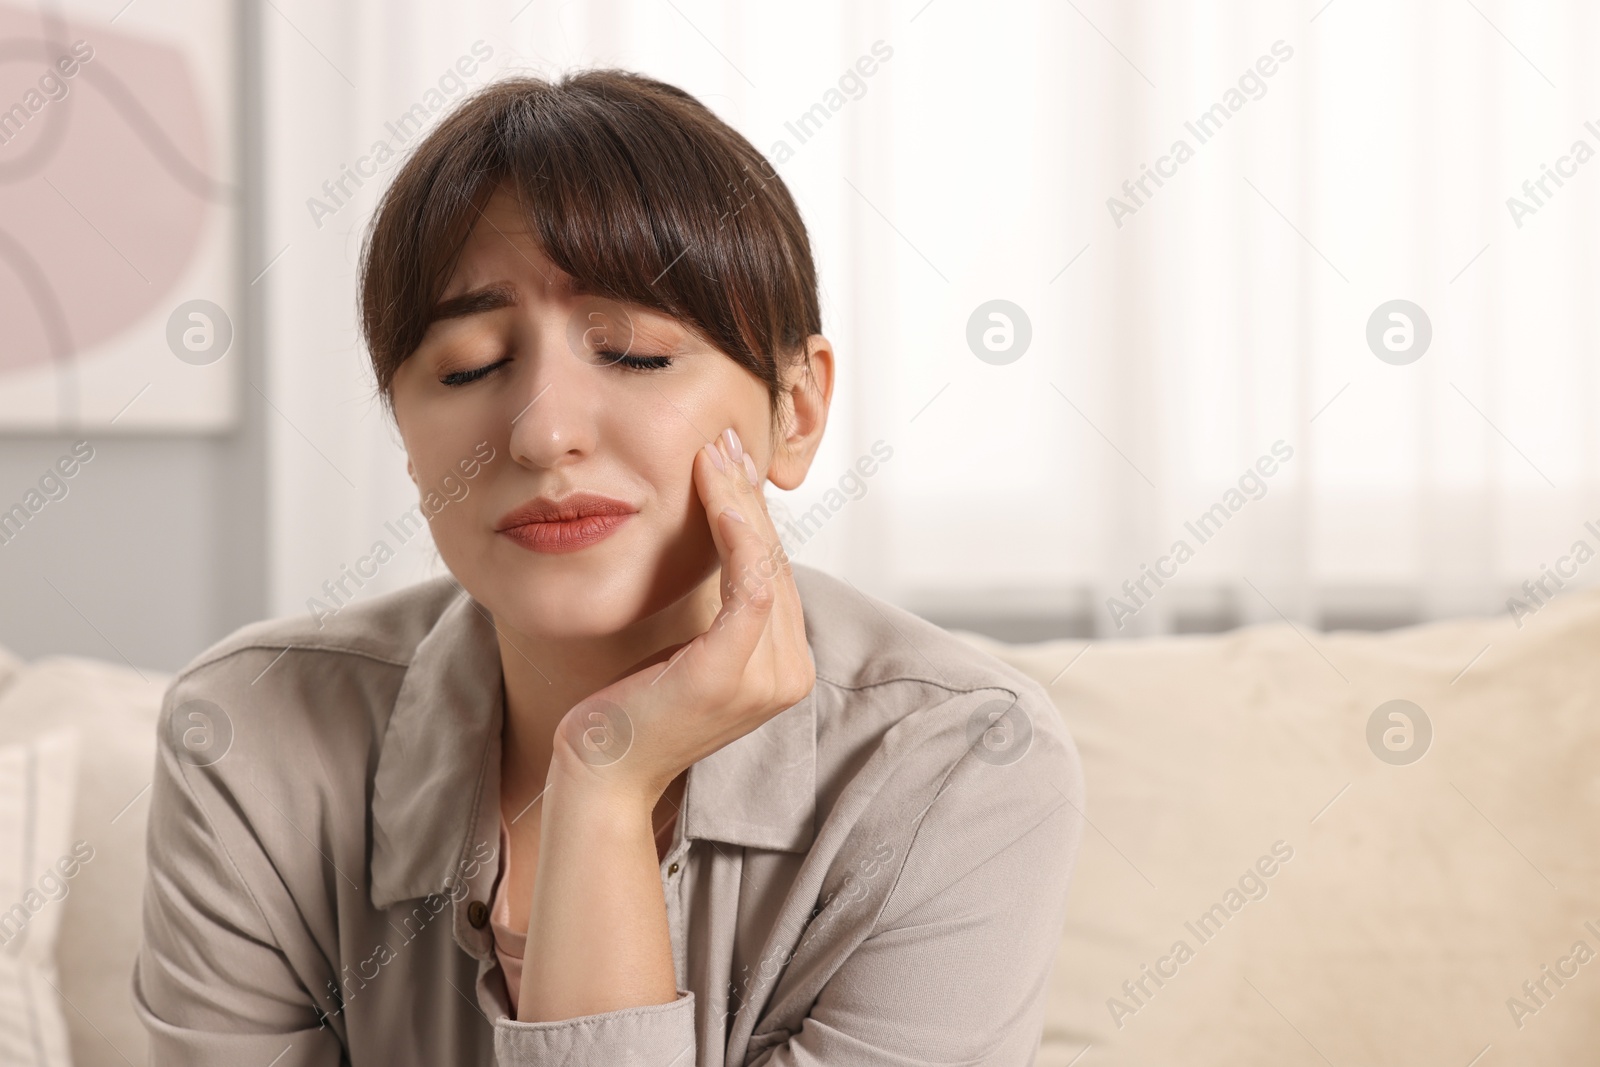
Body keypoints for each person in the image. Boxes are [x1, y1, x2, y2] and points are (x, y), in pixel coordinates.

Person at [133, 69, 1084, 1065]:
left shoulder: (961, 762)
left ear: (794, 411)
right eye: (466, 366)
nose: (543, 433)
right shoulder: (249, 733)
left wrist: (603, 780)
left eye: (632, 352)